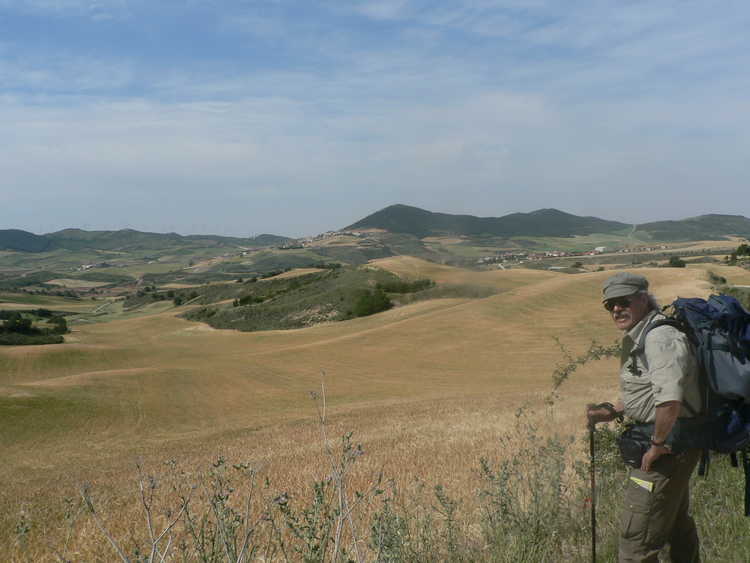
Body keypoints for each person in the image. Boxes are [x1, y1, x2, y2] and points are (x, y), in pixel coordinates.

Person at [586, 272, 703, 563]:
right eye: (609, 305)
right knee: (675, 525)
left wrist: (656, 445)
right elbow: (649, 392)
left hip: (667, 448)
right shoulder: (640, 334)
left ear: (643, 299)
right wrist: (611, 411)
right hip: (671, 444)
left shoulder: (659, 337)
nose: (615, 309)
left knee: (635, 542)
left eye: (623, 301)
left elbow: (670, 399)